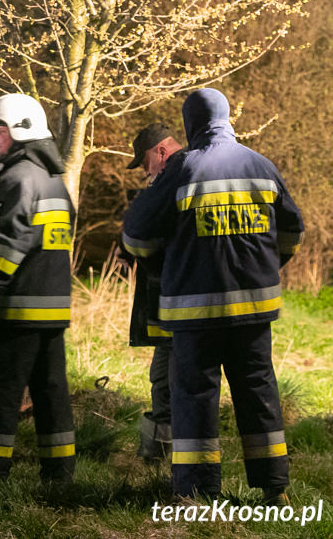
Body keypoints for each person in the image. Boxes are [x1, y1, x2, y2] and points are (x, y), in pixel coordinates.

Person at [123, 88, 304, 503]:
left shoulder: (183, 168)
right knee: (258, 391)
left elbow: (135, 235)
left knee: (195, 396)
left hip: (195, 313)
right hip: (254, 312)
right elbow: (293, 231)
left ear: (191, 124)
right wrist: (269, 268)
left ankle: (197, 492)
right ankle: (273, 486)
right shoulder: (260, 165)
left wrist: (161, 264)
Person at [0, 93, 76, 485]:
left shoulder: (14, 180)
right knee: (52, 394)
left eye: (1, 128)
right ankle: (59, 476)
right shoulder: (54, 183)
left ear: (22, 131)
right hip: (53, 311)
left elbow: (1, 250)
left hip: (14, 311)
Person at [124, 123, 185, 461]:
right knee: (163, 378)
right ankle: (158, 459)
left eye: (145, 162)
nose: (145, 170)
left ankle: (162, 460)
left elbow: (146, 236)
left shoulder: (173, 180)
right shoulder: (179, 176)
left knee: (168, 380)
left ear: (161, 151)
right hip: (170, 302)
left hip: (176, 301)